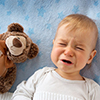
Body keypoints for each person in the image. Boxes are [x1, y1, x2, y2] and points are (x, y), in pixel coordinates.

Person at [11, 14, 100, 100]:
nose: (68, 52)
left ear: (90, 57)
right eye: (62, 44)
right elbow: (22, 93)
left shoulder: (91, 90)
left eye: (79, 48)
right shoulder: (42, 75)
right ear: (53, 45)